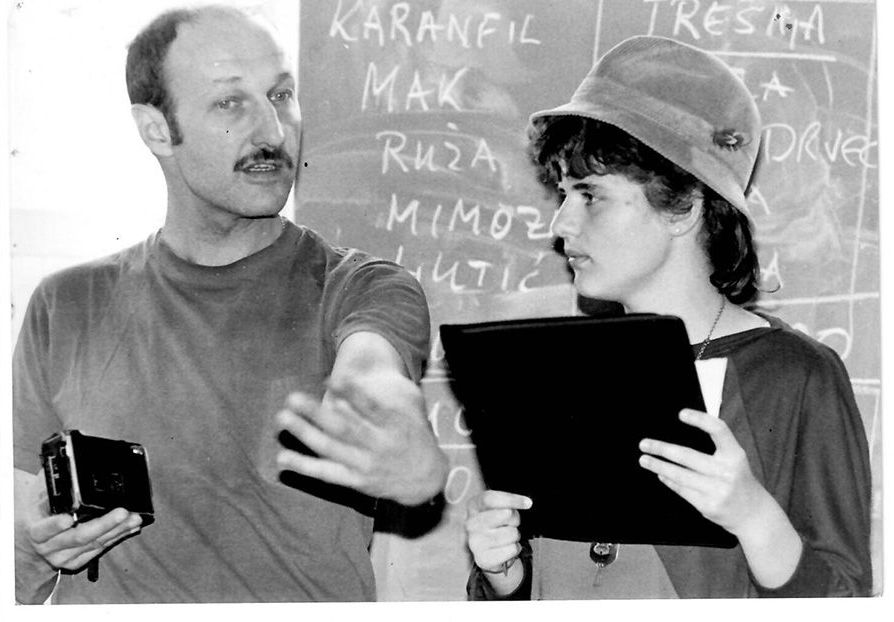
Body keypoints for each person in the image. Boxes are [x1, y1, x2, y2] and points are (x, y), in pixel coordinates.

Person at [13, 5, 447, 604]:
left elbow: (372, 378)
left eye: (282, 94)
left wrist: (402, 439)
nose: (273, 130)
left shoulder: (360, 286)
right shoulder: (64, 306)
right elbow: (21, 549)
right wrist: (36, 544)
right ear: (156, 129)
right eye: (230, 102)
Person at [464, 35, 872, 599]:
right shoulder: (554, 369)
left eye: (589, 194)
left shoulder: (796, 376)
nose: (559, 223)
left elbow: (848, 600)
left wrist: (754, 517)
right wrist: (506, 578)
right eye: (562, 193)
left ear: (683, 206)